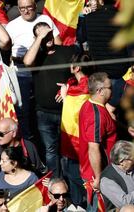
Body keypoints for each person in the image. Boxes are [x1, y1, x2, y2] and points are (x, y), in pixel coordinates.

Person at [23, 22, 76, 177]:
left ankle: (70, 186)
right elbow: (26, 62)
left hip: (65, 111)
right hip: (43, 113)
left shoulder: (67, 51)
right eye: (42, 35)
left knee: (68, 151)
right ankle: (55, 184)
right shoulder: (36, 56)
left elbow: (80, 75)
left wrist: (68, 85)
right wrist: (39, 38)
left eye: (48, 34)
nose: (47, 38)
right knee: (51, 151)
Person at [5, 0, 62, 141]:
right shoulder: (12, 25)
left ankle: (48, 140)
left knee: (44, 109)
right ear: (18, 8)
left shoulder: (44, 19)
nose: (25, 11)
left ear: (35, 6)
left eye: (29, 7)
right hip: (21, 72)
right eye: (22, 8)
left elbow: (58, 42)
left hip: (43, 70)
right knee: (23, 111)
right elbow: (5, 49)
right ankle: (28, 143)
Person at [58, 53, 93, 207]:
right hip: (82, 139)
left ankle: (82, 205)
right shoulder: (76, 84)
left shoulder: (82, 88)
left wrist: (65, 96)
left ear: (77, 68)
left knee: (75, 175)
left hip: (78, 140)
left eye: (72, 63)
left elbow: (73, 113)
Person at [78, 72, 116, 211]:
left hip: (92, 171)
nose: (112, 90)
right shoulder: (96, 116)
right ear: (100, 91)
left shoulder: (90, 104)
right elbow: (93, 148)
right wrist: (99, 179)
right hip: (97, 175)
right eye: (109, 87)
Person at [100, 140, 134, 210]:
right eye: (133, 159)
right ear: (122, 162)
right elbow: (124, 203)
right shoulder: (107, 180)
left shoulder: (130, 167)